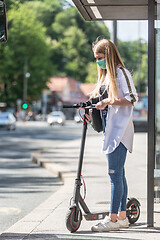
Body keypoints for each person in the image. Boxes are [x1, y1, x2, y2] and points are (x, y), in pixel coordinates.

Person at [85, 38, 138, 232]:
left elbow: (132, 98)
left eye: (100, 57)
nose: (97, 61)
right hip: (111, 131)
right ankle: (122, 217)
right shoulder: (107, 75)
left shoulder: (121, 73)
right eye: (96, 58)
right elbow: (102, 100)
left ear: (108, 55)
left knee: (114, 175)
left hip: (120, 132)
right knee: (119, 174)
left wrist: (107, 101)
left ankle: (113, 219)